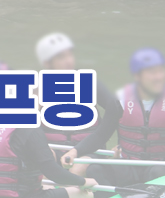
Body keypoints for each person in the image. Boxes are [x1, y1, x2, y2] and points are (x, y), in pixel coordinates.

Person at [62, 48, 165, 196]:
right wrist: (75, 151)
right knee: (95, 169)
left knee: (157, 172)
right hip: (130, 165)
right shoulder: (120, 100)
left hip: (163, 165)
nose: (158, 77)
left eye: (160, 71)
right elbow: (100, 135)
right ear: (137, 76)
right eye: (152, 73)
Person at [35, 32, 121, 176]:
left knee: (77, 168)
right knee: (42, 161)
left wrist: (120, 143)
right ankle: (47, 187)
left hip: (88, 151)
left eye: (70, 55)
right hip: (54, 151)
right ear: (47, 63)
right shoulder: (37, 88)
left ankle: (72, 187)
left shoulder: (89, 83)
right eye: (61, 57)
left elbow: (116, 109)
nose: (69, 61)